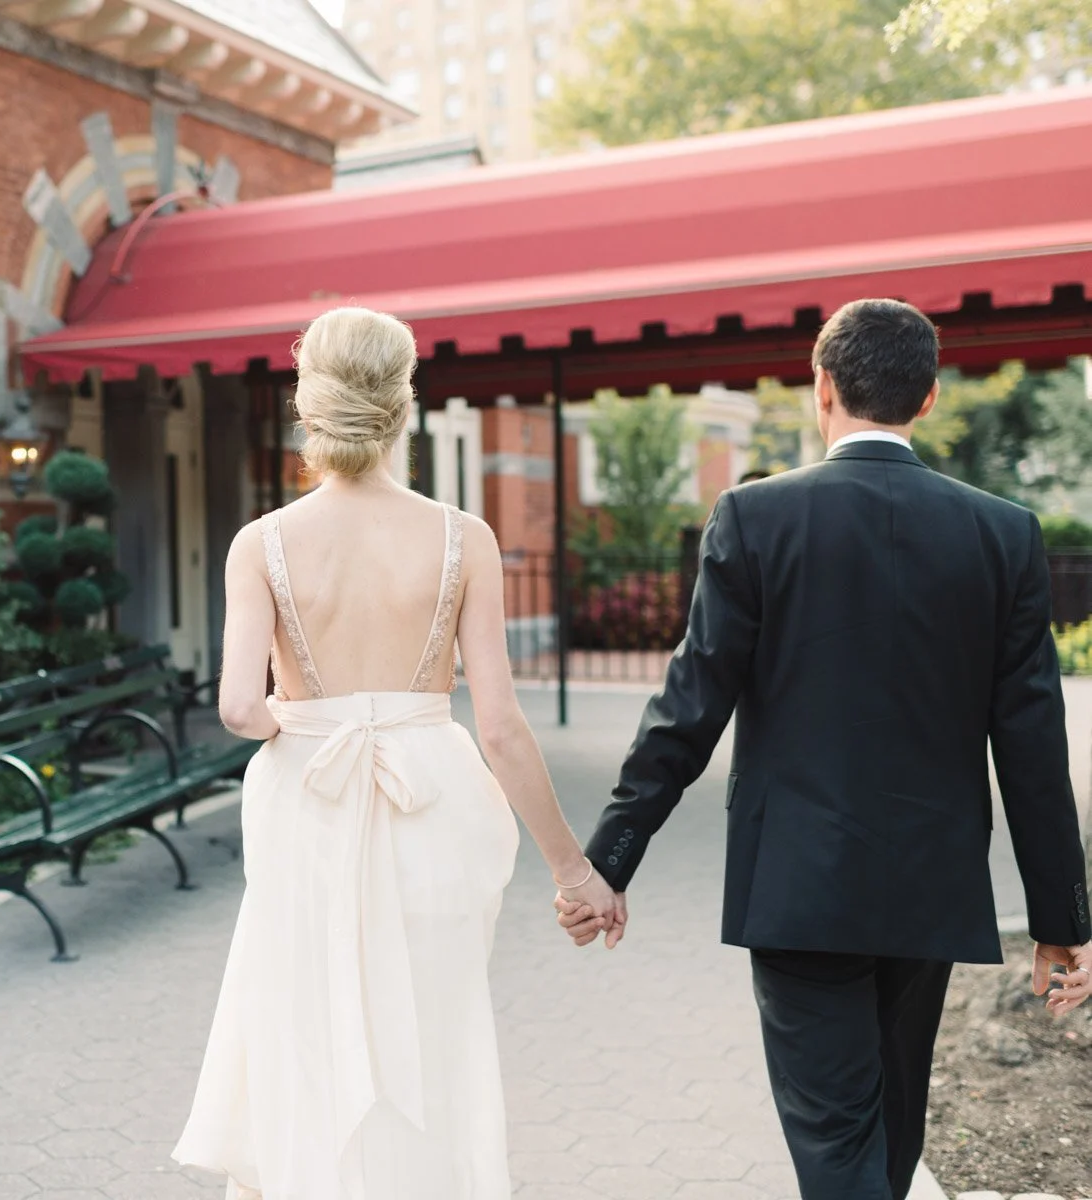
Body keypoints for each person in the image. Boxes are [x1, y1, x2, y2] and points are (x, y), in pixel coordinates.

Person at [559, 298, 1092, 1198]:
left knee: (840, 1146)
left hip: (798, 884)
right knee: (887, 1135)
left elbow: (688, 710)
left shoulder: (756, 517)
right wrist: (1062, 923)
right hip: (931, 883)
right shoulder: (1003, 533)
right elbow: (1034, 743)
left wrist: (611, 858)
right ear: (927, 401)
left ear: (822, 387)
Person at [174, 306, 616, 1200]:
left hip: (307, 799)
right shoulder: (466, 540)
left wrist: (295, 720)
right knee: (431, 1032)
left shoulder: (261, 544)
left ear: (311, 407)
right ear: (403, 405)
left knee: (306, 1026)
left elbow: (235, 708)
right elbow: (499, 729)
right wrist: (576, 871)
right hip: (433, 805)